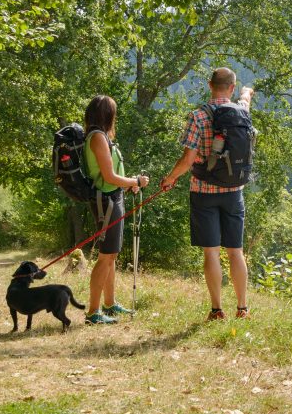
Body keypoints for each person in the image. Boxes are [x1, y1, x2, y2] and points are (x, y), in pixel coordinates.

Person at [160, 68, 254, 320]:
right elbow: (246, 99)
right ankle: (242, 308)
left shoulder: (198, 116)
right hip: (234, 191)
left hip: (203, 192)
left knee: (211, 251)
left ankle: (216, 309)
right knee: (236, 251)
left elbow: (188, 159)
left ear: (210, 85)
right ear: (232, 88)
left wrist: (169, 179)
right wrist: (247, 92)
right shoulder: (241, 112)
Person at [82, 95, 149, 324]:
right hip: (107, 201)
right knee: (105, 255)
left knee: (111, 254)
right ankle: (93, 313)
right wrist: (134, 182)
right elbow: (109, 176)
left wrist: (128, 184)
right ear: (107, 115)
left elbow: (110, 176)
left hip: (113, 197)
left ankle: (109, 305)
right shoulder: (98, 138)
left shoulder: (99, 136)